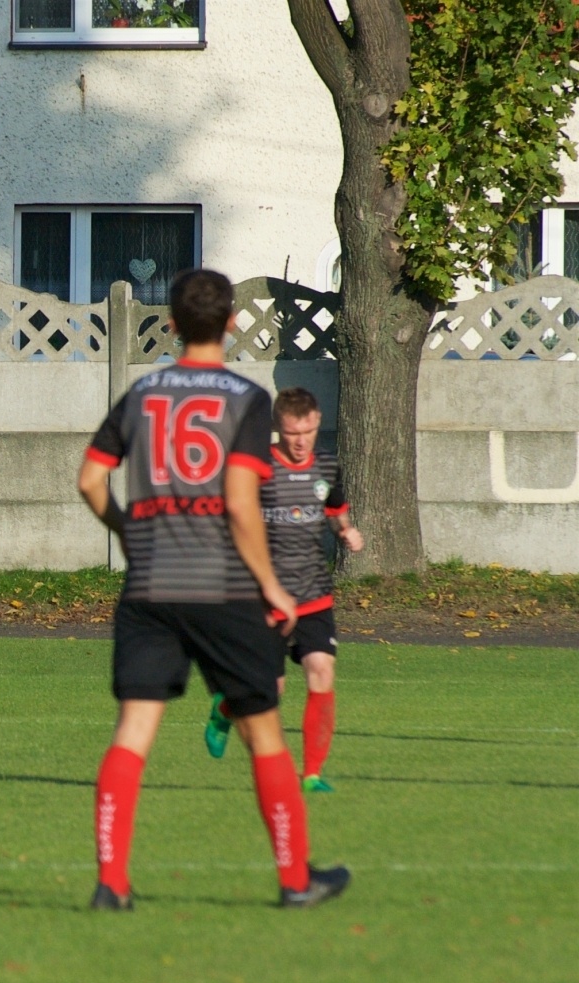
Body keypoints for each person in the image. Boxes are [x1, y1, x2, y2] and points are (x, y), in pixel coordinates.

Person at [76, 269, 349, 910]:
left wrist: (128, 533)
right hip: (223, 588)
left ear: (170, 323)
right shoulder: (247, 400)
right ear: (230, 324)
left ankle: (111, 884)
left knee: (133, 731)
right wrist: (272, 587)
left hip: (150, 587)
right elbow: (239, 504)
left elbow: (91, 480)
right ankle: (294, 880)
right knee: (263, 732)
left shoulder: (141, 394)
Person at [204, 387, 363, 793]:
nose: (300, 441)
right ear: (278, 428)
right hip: (267, 597)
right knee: (267, 690)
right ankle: (224, 709)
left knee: (322, 671)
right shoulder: (258, 469)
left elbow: (334, 510)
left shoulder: (327, 466)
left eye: (307, 431)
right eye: (292, 433)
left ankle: (311, 774)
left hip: (314, 595)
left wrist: (345, 530)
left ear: (317, 424)